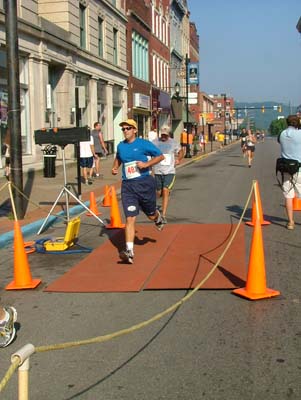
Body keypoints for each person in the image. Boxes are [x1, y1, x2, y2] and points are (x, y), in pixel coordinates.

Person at [112, 119, 165, 264]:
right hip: (128, 186)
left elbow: (160, 156)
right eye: (123, 129)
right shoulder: (121, 146)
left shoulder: (143, 143)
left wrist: (146, 164)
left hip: (144, 183)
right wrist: (115, 167)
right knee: (130, 218)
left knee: (150, 214)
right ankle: (129, 251)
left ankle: (157, 217)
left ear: (135, 130)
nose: (125, 131)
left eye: (128, 128)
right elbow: (118, 158)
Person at [152, 125, 183, 224]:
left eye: (166, 135)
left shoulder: (174, 143)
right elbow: (148, 152)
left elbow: (181, 151)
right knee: (158, 192)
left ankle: (163, 214)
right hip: (157, 171)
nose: (164, 137)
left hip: (169, 171)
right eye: (162, 135)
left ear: (169, 134)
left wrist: (178, 159)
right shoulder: (155, 142)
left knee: (165, 190)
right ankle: (153, 206)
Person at [278, 115, 301, 230]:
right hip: (299, 169)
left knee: (288, 196)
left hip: (286, 169)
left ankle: (291, 222)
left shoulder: (282, 134)